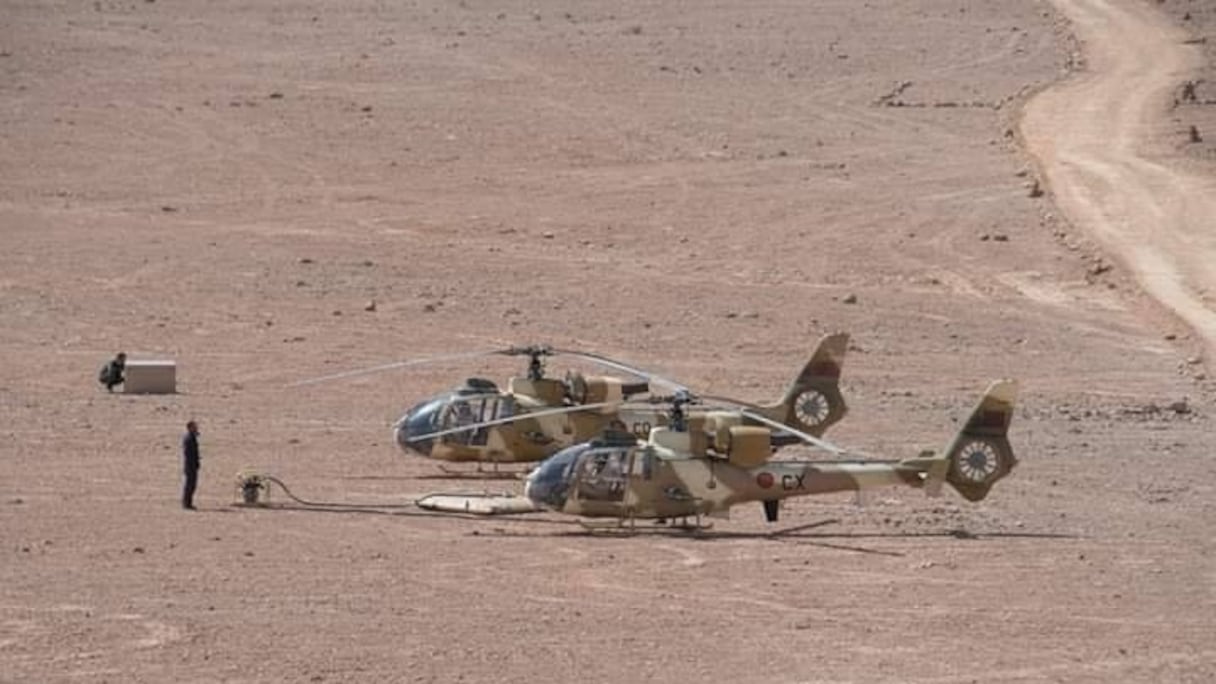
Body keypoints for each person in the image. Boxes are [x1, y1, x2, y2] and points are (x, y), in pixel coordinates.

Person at [181, 420, 201, 510]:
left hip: (192, 465)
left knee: (192, 484)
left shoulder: (191, 437)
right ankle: (186, 503)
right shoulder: (188, 438)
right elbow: (188, 453)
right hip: (190, 466)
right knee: (190, 485)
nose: (196, 428)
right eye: (194, 426)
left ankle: (188, 503)